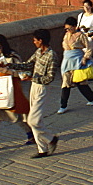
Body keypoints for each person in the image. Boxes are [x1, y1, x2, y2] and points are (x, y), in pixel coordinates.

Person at [0, 34, 33, 154]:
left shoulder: (13, 57)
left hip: (12, 88)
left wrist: (7, 71)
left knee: (17, 114)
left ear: (4, 46)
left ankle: (32, 134)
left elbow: (22, 73)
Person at [15, 29, 60, 158]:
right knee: (36, 119)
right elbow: (28, 64)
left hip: (42, 88)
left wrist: (32, 78)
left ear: (41, 41)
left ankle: (51, 139)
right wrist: (10, 66)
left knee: (32, 120)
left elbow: (50, 78)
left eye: (35, 40)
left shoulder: (52, 56)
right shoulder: (38, 52)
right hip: (34, 87)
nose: (34, 42)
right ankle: (42, 149)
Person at [57, 17, 93, 114]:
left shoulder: (81, 36)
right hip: (67, 61)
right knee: (66, 83)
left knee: (80, 82)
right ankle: (63, 105)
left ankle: (92, 97)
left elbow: (89, 47)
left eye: (69, 28)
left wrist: (85, 58)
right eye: (66, 29)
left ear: (74, 27)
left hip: (77, 61)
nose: (67, 30)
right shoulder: (66, 35)